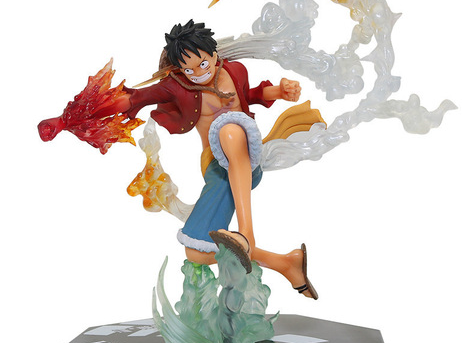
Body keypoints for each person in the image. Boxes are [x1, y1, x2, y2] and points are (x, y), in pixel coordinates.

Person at [39, 20, 318, 299]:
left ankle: (247, 232)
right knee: (197, 252)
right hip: (215, 166)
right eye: (189, 69)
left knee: (230, 131)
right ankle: (286, 264)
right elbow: (131, 99)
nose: (198, 73)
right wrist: (64, 121)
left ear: (214, 55)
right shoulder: (176, 86)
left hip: (245, 154)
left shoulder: (234, 70)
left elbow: (249, 95)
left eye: (203, 64)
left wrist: (279, 92)